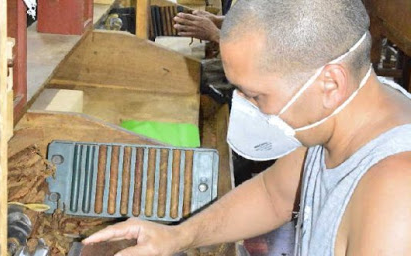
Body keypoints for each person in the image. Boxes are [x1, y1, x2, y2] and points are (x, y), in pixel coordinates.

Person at [83, 0, 411, 255]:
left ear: (329, 82)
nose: (247, 106)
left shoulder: (395, 193)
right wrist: (177, 236)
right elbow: (274, 195)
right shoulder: (341, 122)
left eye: (256, 95)